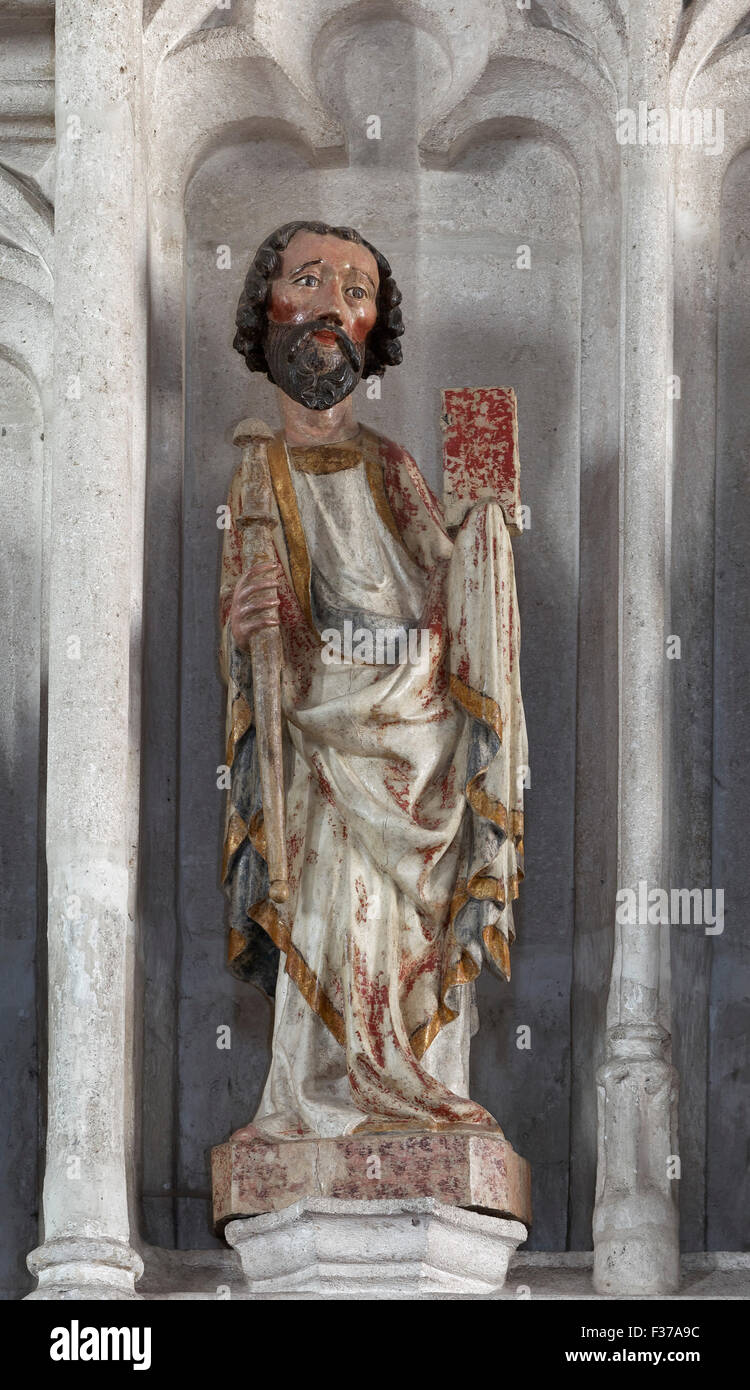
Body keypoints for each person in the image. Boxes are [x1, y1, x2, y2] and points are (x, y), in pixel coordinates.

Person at [219, 220, 526, 1138]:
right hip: (314, 740)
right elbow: (249, 635)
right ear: (267, 310)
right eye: (308, 282)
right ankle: (314, 1101)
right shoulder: (255, 470)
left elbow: (445, 579)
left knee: (399, 921)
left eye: (355, 294)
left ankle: (411, 1080)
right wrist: (242, 630)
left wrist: (486, 528)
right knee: (329, 900)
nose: (331, 308)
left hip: (412, 727)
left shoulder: (389, 463)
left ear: (372, 331)